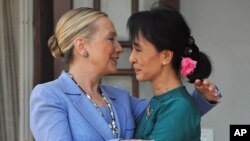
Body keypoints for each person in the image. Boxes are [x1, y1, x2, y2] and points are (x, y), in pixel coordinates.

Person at [30, 7, 221, 141]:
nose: (120, 48)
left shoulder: (120, 99)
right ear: (82, 46)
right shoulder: (49, 96)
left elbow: (171, 110)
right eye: (111, 39)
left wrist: (203, 97)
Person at [126, 5, 216, 141]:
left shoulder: (179, 106)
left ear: (166, 56)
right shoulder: (164, 101)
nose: (131, 58)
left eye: (138, 50)